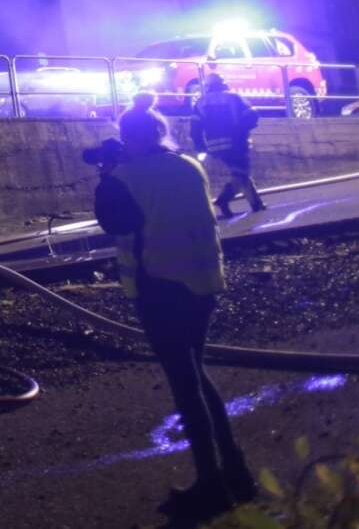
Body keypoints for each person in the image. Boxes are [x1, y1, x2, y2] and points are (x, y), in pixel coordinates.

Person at [95, 92, 254, 519]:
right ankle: (236, 471)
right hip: (203, 283)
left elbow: (113, 221)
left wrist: (106, 173)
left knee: (186, 385)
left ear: (129, 137)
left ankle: (212, 484)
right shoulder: (189, 165)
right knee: (196, 375)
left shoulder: (125, 177)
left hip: (160, 288)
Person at [190, 73, 266, 217]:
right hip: (236, 142)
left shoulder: (200, 102)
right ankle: (223, 200)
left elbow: (195, 128)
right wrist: (244, 129)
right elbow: (251, 115)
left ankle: (256, 204)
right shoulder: (234, 97)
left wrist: (201, 148)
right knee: (241, 173)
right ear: (222, 83)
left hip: (215, 146)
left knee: (240, 172)